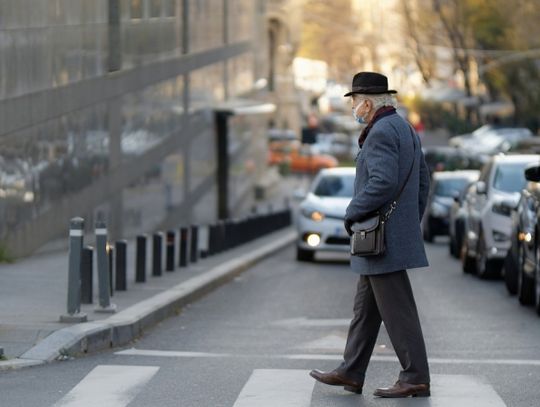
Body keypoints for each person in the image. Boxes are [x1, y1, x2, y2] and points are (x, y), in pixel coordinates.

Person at [309, 72, 431, 398]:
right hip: (389, 236)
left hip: (380, 239)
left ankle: (415, 376)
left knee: (398, 311)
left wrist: (353, 212)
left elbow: (382, 182)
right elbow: (423, 181)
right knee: (366, 310)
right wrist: (409, 222)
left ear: (366, 102)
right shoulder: (404, 128)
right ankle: (351, 371)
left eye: (354, 102)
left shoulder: (378, 132)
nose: (354, 108)